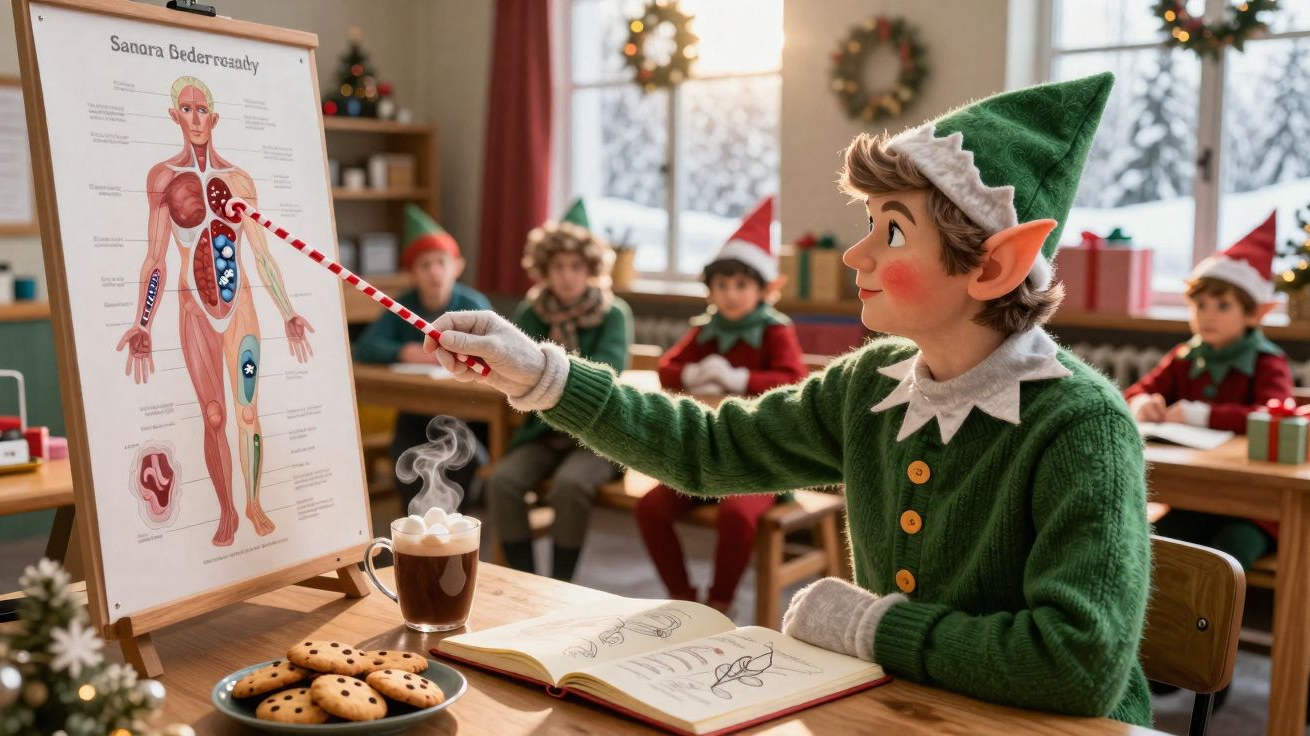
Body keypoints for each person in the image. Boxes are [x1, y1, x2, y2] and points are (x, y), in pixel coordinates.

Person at [425, 74, 1156, 724]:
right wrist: (539, 373)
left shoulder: (1081, 426)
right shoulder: (871, 382)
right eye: (870, 223)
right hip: (908, 710)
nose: (857, 254)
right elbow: (708, 449)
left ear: (993, 267)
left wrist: (870, 626)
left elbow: (1079, 665)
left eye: (892, 230)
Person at [118, 75, 314, 546]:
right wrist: (143, 322)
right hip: (194, 312)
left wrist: (287, 311)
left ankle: (254, 504)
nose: (195, 118)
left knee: (247, 413)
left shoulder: (239, 181)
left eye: (201, 109)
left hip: (241, 308)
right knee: (213, 416)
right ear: (174, 116)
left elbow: (262, 255)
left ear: (214, 117)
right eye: (186, 109)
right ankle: (226, 510)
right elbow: (156, 258)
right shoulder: (163, 179)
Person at [640, 196, 807, 613]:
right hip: (702, 455)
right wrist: (694, 373)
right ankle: (682, 596)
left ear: (763, 289)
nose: (730, 294)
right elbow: (667, 369)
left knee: (736, 515)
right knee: (650, 508)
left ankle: (720, 602)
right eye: (721, 285)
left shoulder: (776, 331)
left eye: (741, 285)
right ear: (709, 289)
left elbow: (794, 381)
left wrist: (739, 379)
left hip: (759, 460)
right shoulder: (705, 329)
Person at [1126, 212, 1292, 571]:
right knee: (1153, 542)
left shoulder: (1268, 362)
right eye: (1200, 305)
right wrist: (1143, 404)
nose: (1207, 315)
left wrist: (1200, 414)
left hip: (1257, 508)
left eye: (1222, 305)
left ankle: (1223, 610)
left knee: (1230, 553)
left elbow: (1273, 415)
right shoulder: (1184, 356)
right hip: (1197, 497)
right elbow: (1134, 393)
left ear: (1253, 314)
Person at [489, 199, 632, 582]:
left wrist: (545, 372)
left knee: (570, 486)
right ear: (544, 269)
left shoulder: (613, 313)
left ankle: (560, 582)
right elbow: (514, 367)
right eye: (558, 267)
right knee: (502, 482)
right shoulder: (531, 313)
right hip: (542, 430)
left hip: (595, 436)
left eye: (576, 266)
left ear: (591, 268)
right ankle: (527, 580)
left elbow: (607, 373)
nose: (567, 276)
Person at [353, 204, 491, 512]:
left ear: (457, 266)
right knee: (403, 456)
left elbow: (491, 350)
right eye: (424, 265)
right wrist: (405, 351)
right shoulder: (402, 306)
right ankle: (415, 525)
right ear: (411, 273)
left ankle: (457, 525)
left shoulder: (474, 304)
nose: (434, 272)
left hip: (466, 411)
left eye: (441, 263)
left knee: (465, 458)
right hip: (416, 410)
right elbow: (366, 347)